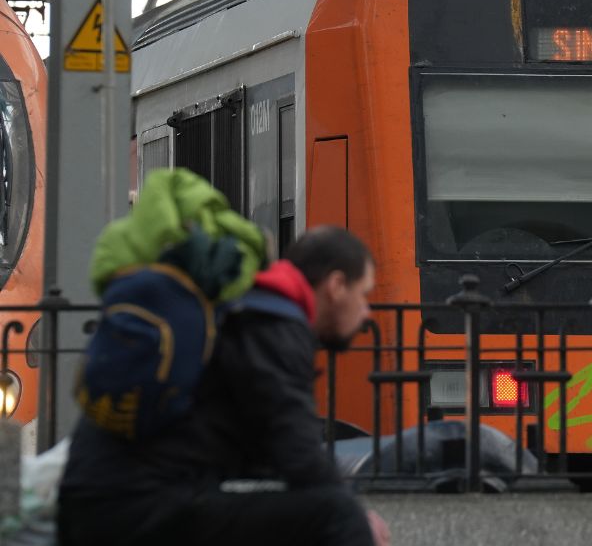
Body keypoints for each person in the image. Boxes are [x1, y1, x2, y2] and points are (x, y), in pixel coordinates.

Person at [58, 226, 391, 546]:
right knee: (339, 515)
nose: (366, 313)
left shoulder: (248, 311)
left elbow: (266, 449)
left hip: (100, 502)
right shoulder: (274, 328)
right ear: (336, 286)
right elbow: (299, 454)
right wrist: (358, 515)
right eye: (364, 295)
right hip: (137, 508)